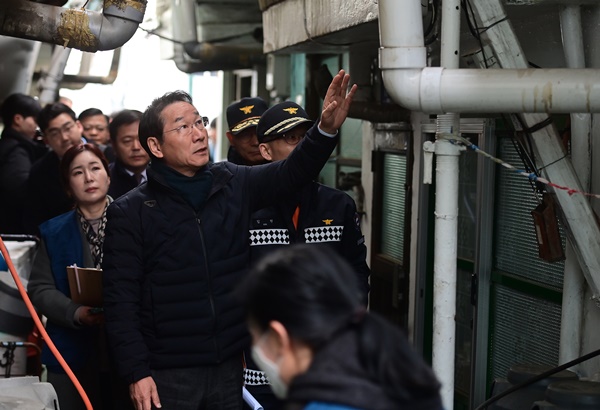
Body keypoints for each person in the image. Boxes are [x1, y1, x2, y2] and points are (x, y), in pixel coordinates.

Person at [102, 69, 356, 410]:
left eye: (200, 122)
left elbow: (292, 172)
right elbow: (120, 301)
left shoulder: (233, 183)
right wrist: (136, 372)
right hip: (167, 373)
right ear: (155, 146)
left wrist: (325, 130)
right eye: (183, 127)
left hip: (228, 368)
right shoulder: (130, 211)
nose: (199, 134)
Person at [239, 244, 444, 410]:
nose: (257, 351)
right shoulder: (391, 367)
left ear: (279, 337)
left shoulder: (327, 402)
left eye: (256, 338)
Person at [27, 143, 127, 410]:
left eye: (95, 168)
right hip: (72, 349)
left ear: (108, 176)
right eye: (78, 172)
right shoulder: (53, 231)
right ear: (68, 186)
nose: (89, 178)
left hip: (128, 346)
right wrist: (75, 312)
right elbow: (39, 288)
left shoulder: (135, 219)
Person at [254, 101, 370, 300]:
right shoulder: (248, 207)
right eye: (291, 138)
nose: (303, 146)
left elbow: (355, 273)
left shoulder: (339, 205)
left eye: (306, 137)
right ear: (266, 151)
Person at [22, 102, 84, 234]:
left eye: (68, 128)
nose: (64, 138)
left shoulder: (108, 156)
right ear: (46, 140)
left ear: (79, 126)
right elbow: (36, 219)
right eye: (55, 133)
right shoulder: (40, 172)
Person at [0, 93, 47, 233]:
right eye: (34, 120)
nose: (36, 127)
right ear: (18, 119)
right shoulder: (17, 151)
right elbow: (20, 190)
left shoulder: (8, 144)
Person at [107, 109, 149, 199]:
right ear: (113, 145)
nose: (136, 147)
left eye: (141, 139)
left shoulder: (167, 176)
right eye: (127, 141)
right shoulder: (105, 180)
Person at [226, 97, 269, 165]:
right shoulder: (222, 171)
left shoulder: (285, 169)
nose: (256, 142)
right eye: (245, 135)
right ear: (231, 138)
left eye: (260, 133)